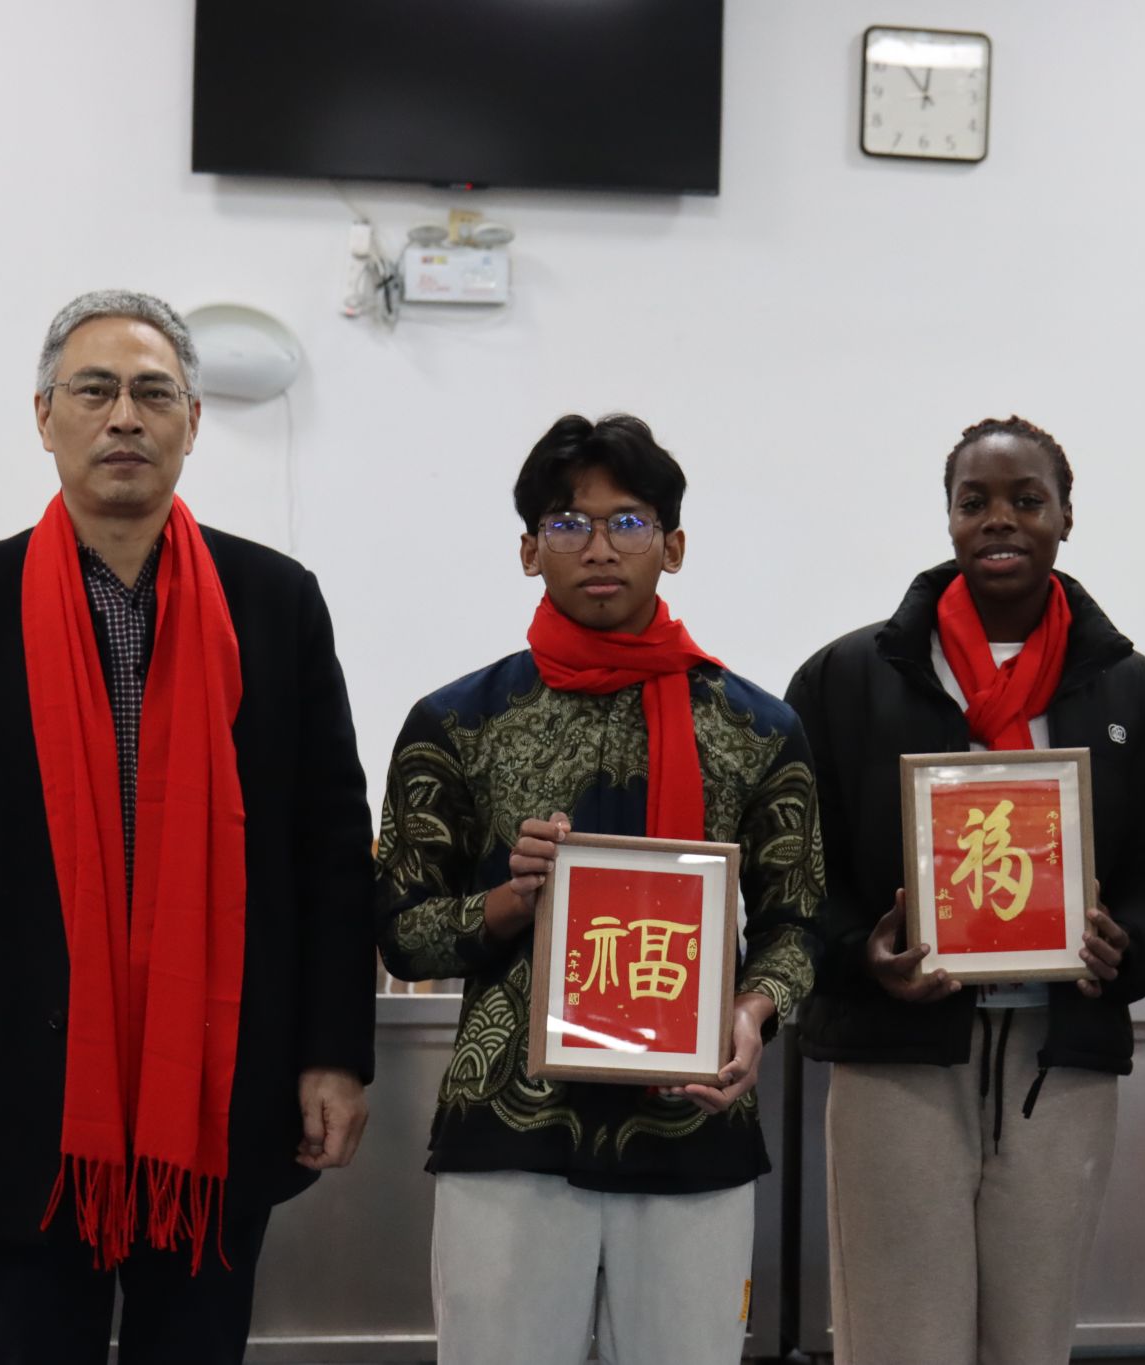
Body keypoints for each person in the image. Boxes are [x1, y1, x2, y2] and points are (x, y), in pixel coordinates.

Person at [0, 290, 375, 1364]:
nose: (124, 417)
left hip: (219, 1088)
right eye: (94, 390)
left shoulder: (275, 603)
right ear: (44, 417)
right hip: (21, 1093)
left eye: (153, 393)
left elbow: (330, 853)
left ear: (193, 420)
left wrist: (335, 1055)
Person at [373, 413, 822, 1365]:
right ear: (529, 549)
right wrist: (508, 901)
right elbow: (402, 930)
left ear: (674, 545)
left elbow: (798, 923)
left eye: (628, 521)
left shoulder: (756, 728)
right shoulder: (458, 722)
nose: (601, 546)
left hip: (694, 1126)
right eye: (569, 523)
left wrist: (752, 1014)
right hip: (509, 1134)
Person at [785, 416, 1145, 1365]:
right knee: (899, 1339)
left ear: (1065, 517)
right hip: (897, 1056)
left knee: (1031, 1338)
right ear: (948, 518)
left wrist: (1127, 945)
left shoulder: (1137, 693)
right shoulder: (848, 678)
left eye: (1027, 499)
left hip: (1060, 1056)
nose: (1000, 519)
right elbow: (798, 870)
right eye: (974, 501)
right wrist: (862, 954)